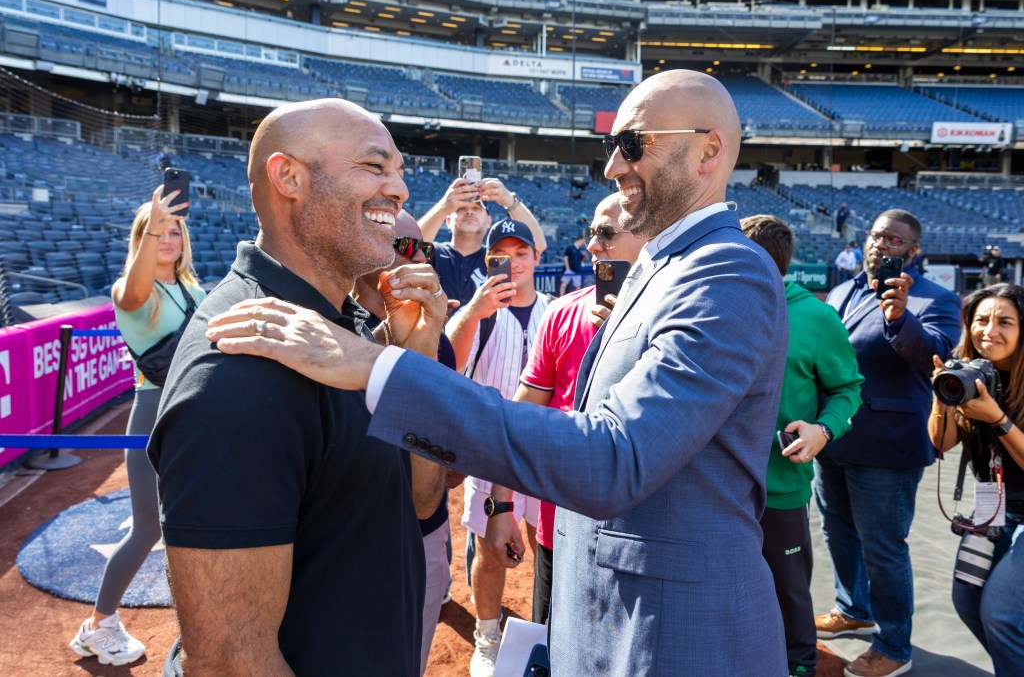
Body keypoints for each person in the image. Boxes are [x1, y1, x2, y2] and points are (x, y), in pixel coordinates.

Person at [206, 69, 790, 675]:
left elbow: (616, 460)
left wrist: (377, 365)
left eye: (633, 144)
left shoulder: (726, 271)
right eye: (611, 146)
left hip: (679, 644)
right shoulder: (665, 267)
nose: (613, 167)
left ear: (708, 151)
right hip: (615, 631)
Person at [148, 98, 448, 676]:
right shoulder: (234, 370)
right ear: (289, 177)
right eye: (374, 166)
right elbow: (230, 660)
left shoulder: (355, 323)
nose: (400, 189)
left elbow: (420, 500)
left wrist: (416, 357)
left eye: (400, 171)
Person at [816, 209, 961, 677]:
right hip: (833, 436)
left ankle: (895, 646)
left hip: (888, 447)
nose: (882, 245)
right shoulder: (843, 289)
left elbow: (934, 356)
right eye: (877, 237)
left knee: (883, 546)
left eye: (895, 240)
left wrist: (899, 319)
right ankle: (852, 607)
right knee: (837, 530)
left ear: (913, 251)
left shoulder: (933, 298)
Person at [69, 186, 200, 667]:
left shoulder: (192, 287)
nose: (167, 240)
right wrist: (151, 228)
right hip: (153, 412)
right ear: (139, 238)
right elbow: (136, 292)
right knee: (148, 528)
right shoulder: (129, 290)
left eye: (173, 231)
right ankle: (99, 626)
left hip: (193, 413)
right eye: (155, 232)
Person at [508, 193, 645, 627]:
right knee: (552, 645)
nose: (592, 246)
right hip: (559, 527)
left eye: (606, 234)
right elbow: (522, 414)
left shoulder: (677, 320)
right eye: (591, 233)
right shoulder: (562, 313)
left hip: (640, 540)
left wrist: (629, 336)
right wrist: (500, 507)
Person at [742, 214, 864, 677]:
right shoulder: (714, 304)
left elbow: (848, 388)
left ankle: (799, 666)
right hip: (712, 485)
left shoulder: (816, 317)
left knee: (789, 591)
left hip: (782, 487)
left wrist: (824, 430)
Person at [444, 218, 552, 677]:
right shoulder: (477, 312)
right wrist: (473, 312)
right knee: (490, 552)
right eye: (500, 256)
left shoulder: (557, 309)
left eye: (521, 252)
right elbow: (446, 362)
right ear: (489, 262)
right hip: (490, 455)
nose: (513, 262)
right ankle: (487, 637)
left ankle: (549, 634)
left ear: (536, 257)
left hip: (547, 454)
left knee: (545, 546)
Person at [350, 209, 454, 676]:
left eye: (423, 249)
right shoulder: (326, 320)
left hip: (421, 541)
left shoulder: (438, 339)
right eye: (402, 246)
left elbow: (443, 479)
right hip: (341, 542)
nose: (415, 259)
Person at [928, 283, 1024, 677]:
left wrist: (997, 419)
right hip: (991, 499)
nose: (990, 331)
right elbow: (939, 444)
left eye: (1005, 322)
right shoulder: (965, 367)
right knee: (967, 599)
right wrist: (943, 394)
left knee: (1000, 614)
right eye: (982, 320)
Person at [417, 175, 546, 309]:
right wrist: (443, 207)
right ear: (448, 220)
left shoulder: (497, 259)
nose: (469, 212)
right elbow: (408, 249)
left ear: (489, 221)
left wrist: (510, 201)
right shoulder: (434, 252)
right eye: (461, 209)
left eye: (477, 209)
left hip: (489, 330)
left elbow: (538, 245)